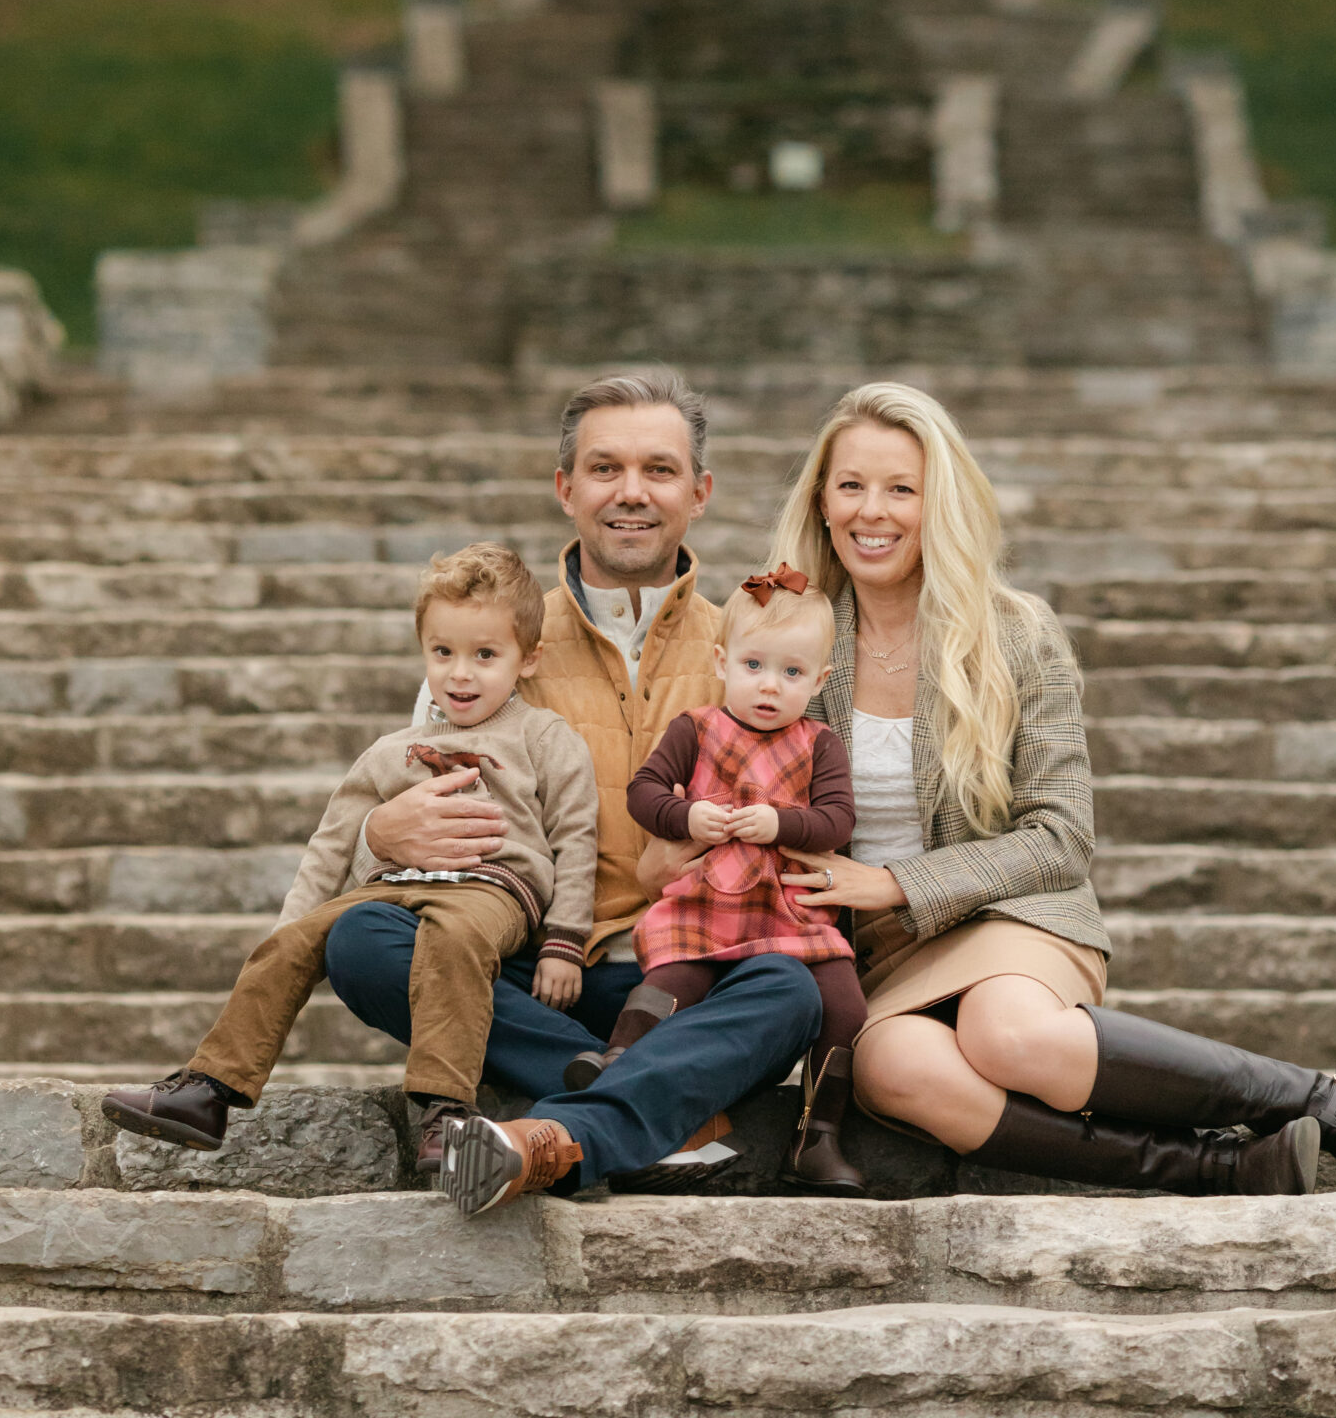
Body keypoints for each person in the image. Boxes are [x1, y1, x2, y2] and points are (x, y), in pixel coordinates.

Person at [765, 380, 1336, 1199]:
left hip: (1010, 917)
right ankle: (1220, 1168)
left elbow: (1060, 836)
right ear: (822, 501)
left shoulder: (1014, 632)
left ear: (938, 503)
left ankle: (1320, 1102)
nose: (874, 511)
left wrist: (899, 883)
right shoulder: (782, 639)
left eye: (901, 488)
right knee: (896, 1071)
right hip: (867, 954)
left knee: (1006, 1035)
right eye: (852, 485)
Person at [323, 368, 823, 1211]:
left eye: (658, 470)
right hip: (522, 969)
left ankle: (562, 1126)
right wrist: (381, 834)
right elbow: (410, 826)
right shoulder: (498, 639)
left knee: (793, 989)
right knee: (362, 945)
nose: (631, 493)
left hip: (682, 977)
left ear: (698, 493)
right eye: (605, 469)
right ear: (565, 488)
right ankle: (657, 1111)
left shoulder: (751, 649)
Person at [100, 545, 597, 1169]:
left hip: (491, 889)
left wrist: (564, 941)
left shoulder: (545, 737)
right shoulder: (392, 750)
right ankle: (209, 1089)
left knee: (452, 941)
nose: (460, 674)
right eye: (443, 653)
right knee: (288, 947)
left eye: (485, 655)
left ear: (530, 659)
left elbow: (576, 838)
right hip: (392, 883)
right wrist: (293, 927)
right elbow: (332, 843)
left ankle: (447, 1113)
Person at [596, 561, 867, 1192]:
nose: (769, 686)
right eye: (754, 666)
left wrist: (783, 825)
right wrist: (687, 815)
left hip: (787, 911)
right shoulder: (695, 729)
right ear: (722, 661)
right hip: (705, 900)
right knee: (673, 978)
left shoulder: (818, 743)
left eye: (791, 672)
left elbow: (837, 821)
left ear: (820, 680)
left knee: (845, 1002)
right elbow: (642, 793)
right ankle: (617, 1065)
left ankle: (817, 1134)